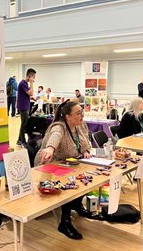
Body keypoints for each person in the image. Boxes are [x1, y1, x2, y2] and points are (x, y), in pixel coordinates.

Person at [35, 100, 91, 239]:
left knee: (86, 177)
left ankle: (77, 205)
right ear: (68, 117)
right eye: (78, 113)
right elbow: (55, 137)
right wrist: (50, 148)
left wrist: (86, 151)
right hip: (50, 164)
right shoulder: (59, 126)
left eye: (82, 112)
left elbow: (85, 142)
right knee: (68, 183)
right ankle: (65, 222)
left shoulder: (80, 125)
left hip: (69, 163)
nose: (81, 115)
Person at [17, 68, 36, 147]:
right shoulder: (23, 83)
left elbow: (28, 94)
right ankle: (23, 141)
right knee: (24, 124)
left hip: (25, 105)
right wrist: (31, 83)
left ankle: (19, 140)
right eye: (33, 76)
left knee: (24, 123)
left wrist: (32, 98)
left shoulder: (24, 84)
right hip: (23, 106)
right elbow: (31, 93)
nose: (34, 78)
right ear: (29, 76)